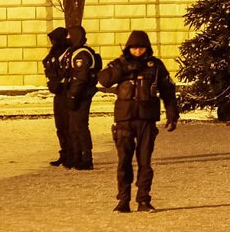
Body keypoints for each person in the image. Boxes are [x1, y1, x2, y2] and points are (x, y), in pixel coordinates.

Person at [97, 29, 179, 213]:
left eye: (141, 48)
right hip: (125, 119)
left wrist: (172, 114)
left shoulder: (155, 66)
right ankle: (123, 200)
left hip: (146, 120)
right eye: (134, 49)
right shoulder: (119, 63)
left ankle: (143, 199)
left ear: (147, 48)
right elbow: (104, 80)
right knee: (124, 161)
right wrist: (123, 69)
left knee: (145, 162)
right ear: (128, 48)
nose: (138, 52)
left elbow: (168, 91)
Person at [63, 25, 101, 170]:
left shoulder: (81, 54)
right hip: (78, 94)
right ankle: (77, 156)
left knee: (80, 126)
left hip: (81, 95)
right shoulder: (75, 52)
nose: (67, 39)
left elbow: (80, 77)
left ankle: (86, 158)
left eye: (70, 36)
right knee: (74, 126)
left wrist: (73, 95)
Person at [42, 25, 71, 166]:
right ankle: (64, 153)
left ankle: (73, 154)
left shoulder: (69, 52)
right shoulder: (53, 53)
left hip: (68, 92)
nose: (52, 43)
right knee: (60, 126)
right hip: (58, 93)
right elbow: (47, 65)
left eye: (54, 39)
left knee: (69, 125)